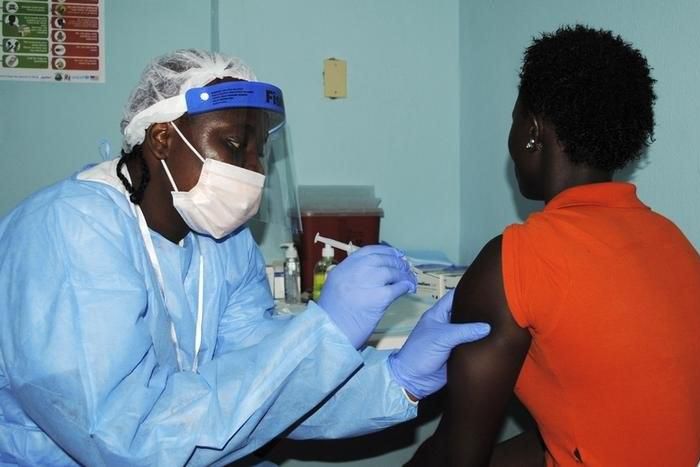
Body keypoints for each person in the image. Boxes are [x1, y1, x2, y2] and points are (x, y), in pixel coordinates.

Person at [0, 49, 490, 466]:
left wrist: (397, 380)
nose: (252, 170)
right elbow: (123, 438)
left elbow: (267, 385)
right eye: (234, 146)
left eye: (260, 154)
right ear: (162, 139)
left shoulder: (223, 243)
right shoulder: (70, 232)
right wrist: (324, 329)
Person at [408, 25, 700, 466]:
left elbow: (457, 456)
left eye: (514, 119)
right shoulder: (673, 242)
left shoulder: (517, 260)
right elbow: (595, 430)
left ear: (532, 133)